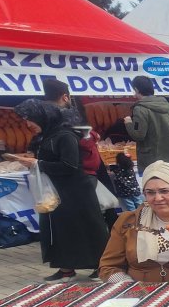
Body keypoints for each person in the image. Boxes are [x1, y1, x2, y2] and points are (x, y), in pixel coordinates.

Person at [10, 99, 109, 283]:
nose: (28, 124)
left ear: (43, 116)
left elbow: (70, 165)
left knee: (89, 229)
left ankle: (102, 266)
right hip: (57, 192)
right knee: (60, 230)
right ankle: (66, 269)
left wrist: (38, 164)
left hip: (77, 191)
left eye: (30, 118)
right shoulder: (47, 136)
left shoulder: (65, 136)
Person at [123, 76, 169, 171]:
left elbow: (138, 135)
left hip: (153, 161)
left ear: (136, 89)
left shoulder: (140, 109)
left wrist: (128, 123)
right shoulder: (168, 107)